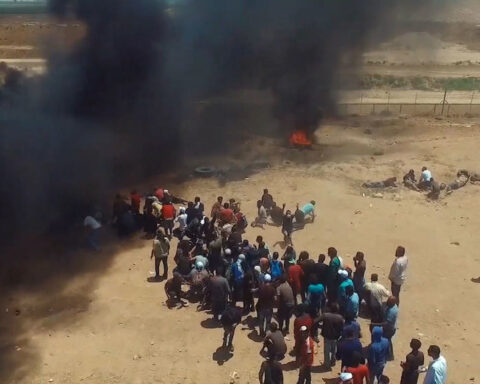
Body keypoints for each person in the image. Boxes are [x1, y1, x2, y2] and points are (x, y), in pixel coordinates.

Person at [320, 303, 345, 369]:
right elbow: (343, 327)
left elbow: (316, 321)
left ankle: (327, 365)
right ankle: (333, 361)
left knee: (327, 351)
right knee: (334, 350)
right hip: (335, 337)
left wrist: (321, 327)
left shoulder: (325, 315)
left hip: (327, 336)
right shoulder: (340, 317)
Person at [382, 296, 398, 360]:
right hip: (391, 327)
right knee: (387, 340)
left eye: (388, 302)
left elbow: (386, 323)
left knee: (387, 341)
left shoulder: (392, 312)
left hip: (389, 329)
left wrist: (376, 324)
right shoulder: (394, 306)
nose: (387, 303)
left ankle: (390, 355)